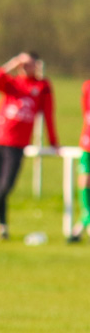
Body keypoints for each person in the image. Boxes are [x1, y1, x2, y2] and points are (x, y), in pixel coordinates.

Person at [0, 52, 59, 240]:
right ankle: (3, 228)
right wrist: (10, 64)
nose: (26, 67)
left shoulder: (42, 86)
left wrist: (54, 142)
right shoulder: (13, 83)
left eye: (30, 64)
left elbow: (48, 115)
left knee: (6, 185)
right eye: (24, 64)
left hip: (18, 143)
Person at [67, 79, 90, 243]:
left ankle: (80, 227)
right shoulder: (87, 87)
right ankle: (85, 221)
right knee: (84, 182)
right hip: (87, 144)